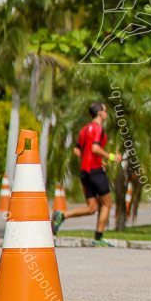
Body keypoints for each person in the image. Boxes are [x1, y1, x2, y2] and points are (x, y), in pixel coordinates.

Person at [52, 102, 122, 247]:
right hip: (95, 171)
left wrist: (91, 158)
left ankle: (62, 215)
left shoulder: (84, 130)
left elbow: (77, 151)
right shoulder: (98, 128)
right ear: (100, 113)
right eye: (105, 111)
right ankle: (98, 238)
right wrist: (110, 157)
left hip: (85, 171)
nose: (107, 114)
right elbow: (95, 148)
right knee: (107, 204)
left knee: (91, 208)